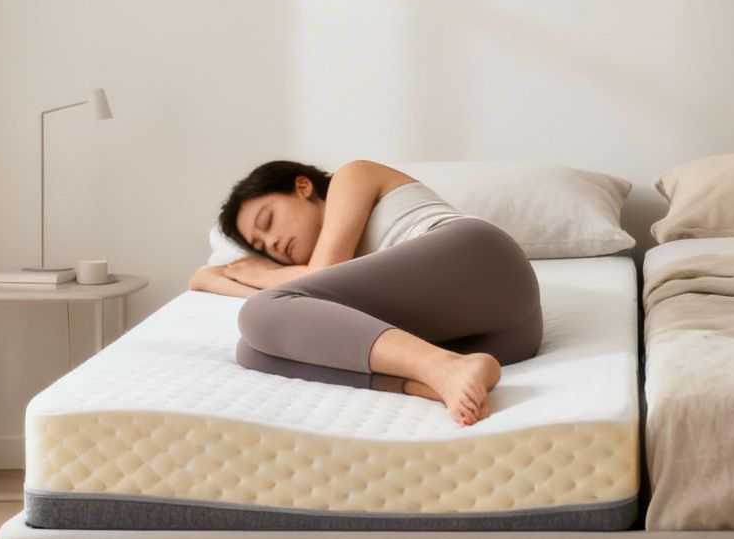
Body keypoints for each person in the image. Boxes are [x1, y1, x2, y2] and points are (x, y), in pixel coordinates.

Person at [191, 159, 541, 426]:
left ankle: (439, 366)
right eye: (261, 246)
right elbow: (287, 312)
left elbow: (317, 275)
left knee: (258, 313)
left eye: (267, 222)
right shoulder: (345, 287)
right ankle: (427, 381)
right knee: (254, 350)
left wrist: (257, 274)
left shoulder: (352, 175)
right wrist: (209, 279)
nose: (273, 243)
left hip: (480, 261)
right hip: (502, 338)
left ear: (302, 187)